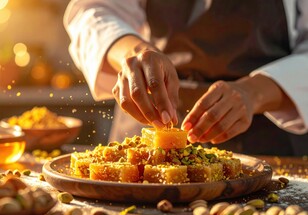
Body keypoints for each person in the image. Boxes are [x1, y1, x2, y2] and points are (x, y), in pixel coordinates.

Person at [64, 0, 308, 156]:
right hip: (148, 117)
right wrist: (133, 52)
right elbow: (93, 10)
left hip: (270, 138)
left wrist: (254, 92)